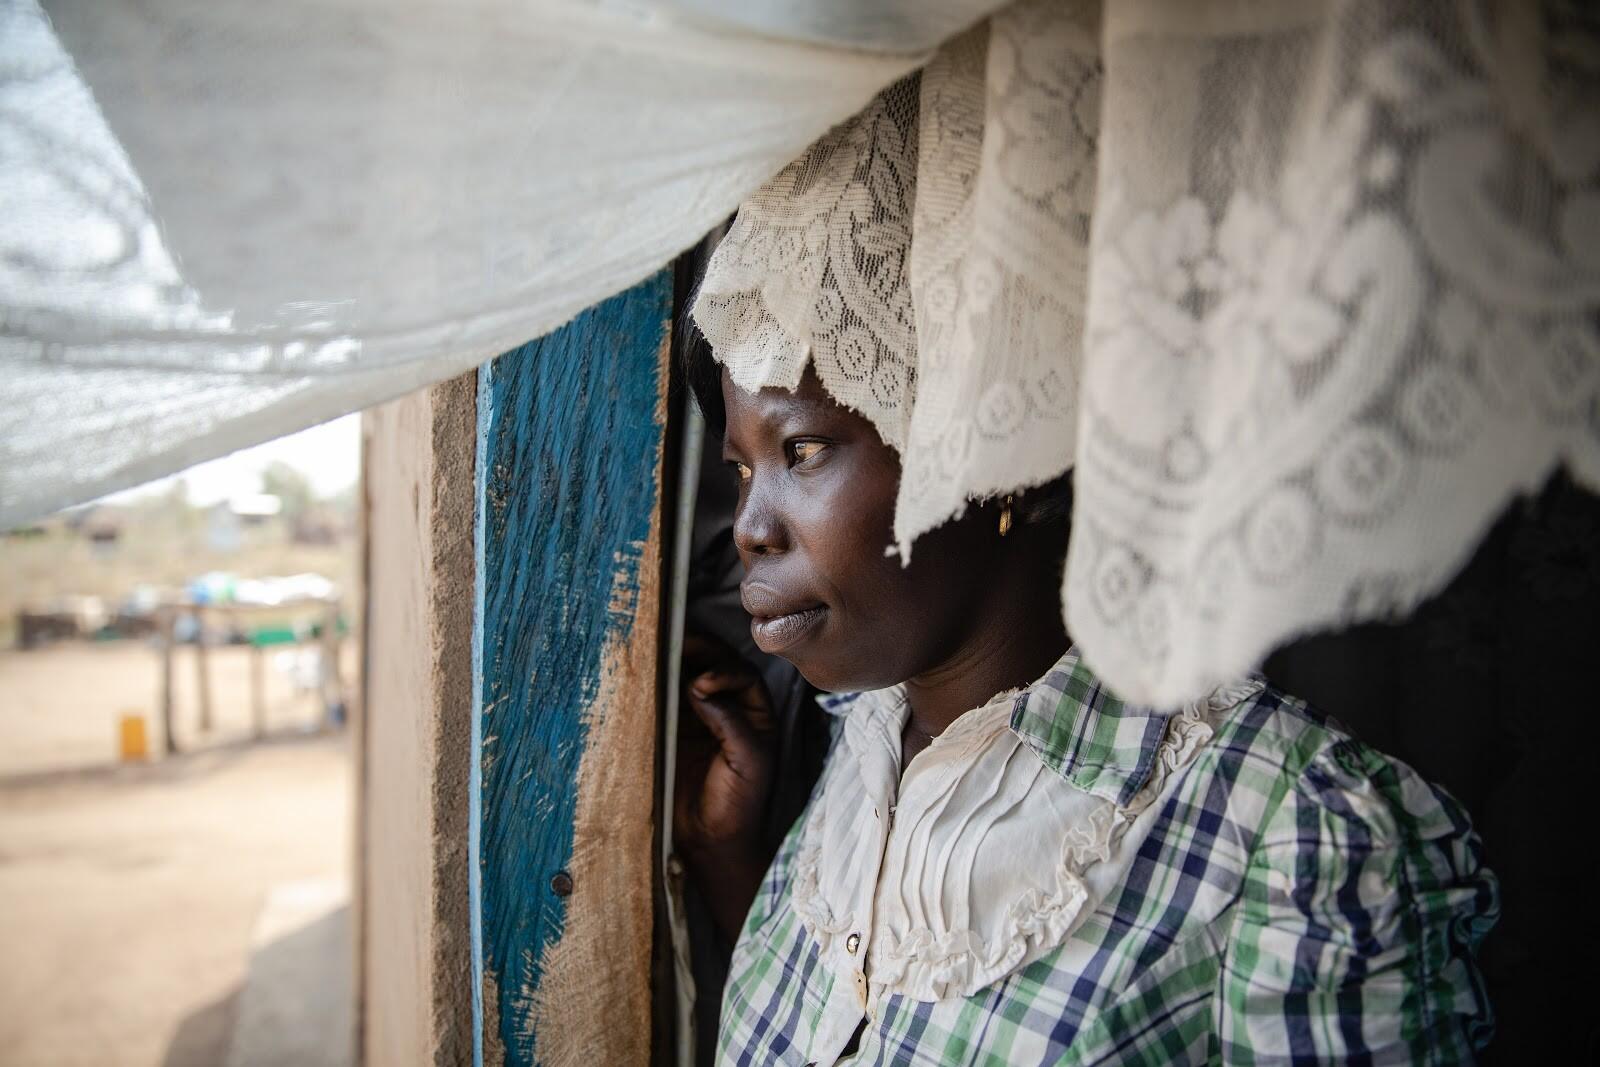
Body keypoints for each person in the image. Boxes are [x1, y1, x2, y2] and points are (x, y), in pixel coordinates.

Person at [674, 358, 1499, 1066]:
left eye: (802, 450)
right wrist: (728, 860)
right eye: (742, 469)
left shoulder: (1295, 838)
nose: (749, 526)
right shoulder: (852, 744)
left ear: (1003, 457)